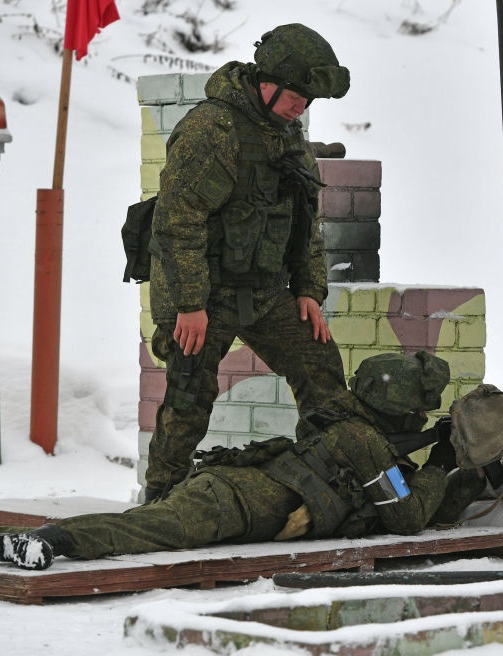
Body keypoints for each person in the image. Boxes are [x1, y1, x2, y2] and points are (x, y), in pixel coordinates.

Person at [0, 353, 501, 571]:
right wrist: (441, 464)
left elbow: (405, 504)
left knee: (138, 528)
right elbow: (405, 519)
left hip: (235, 489)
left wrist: (448, 466)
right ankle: (43, 543)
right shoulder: (368, 446)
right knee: (138, 534)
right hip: (232, 501)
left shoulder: (352, 431)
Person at [142, 24, 353, 502]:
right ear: (266, 81)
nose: (303, 106)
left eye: (309, 99)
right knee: (188, 395)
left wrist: (308, 291)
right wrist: (190, 304)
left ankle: (329, 484)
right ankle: (158, 501)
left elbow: (306, 223)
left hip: (264, 291)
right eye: (297, 94)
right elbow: (177, 222)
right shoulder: (211, 130)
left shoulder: (288, 136)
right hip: (204, 295)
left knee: (320, 367)